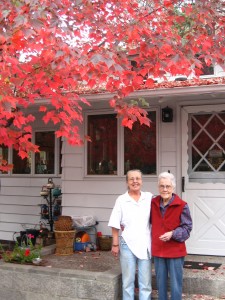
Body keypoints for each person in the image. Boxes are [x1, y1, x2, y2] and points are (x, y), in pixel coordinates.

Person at [108, 169, 153, 300]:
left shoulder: (149, 197)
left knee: (145, 283)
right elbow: (115, 224)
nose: (135, 181)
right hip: (127, 244)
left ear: (142, 181)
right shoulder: (122, 200)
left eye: (137, 178)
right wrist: (115, 244)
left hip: (145, 245)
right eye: (131, 179)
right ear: (127, 182)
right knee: (128, 282)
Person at [151, 172, 192, 300]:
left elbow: (187, 228)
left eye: (168, 186)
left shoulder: (182, 205)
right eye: (162, 186)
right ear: (158, 187)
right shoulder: (152, 203)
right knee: (160, 285)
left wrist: (173, 233)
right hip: (158, 250)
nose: (164, 189)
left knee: (175, 285)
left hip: (175, 251)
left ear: (173, 187)